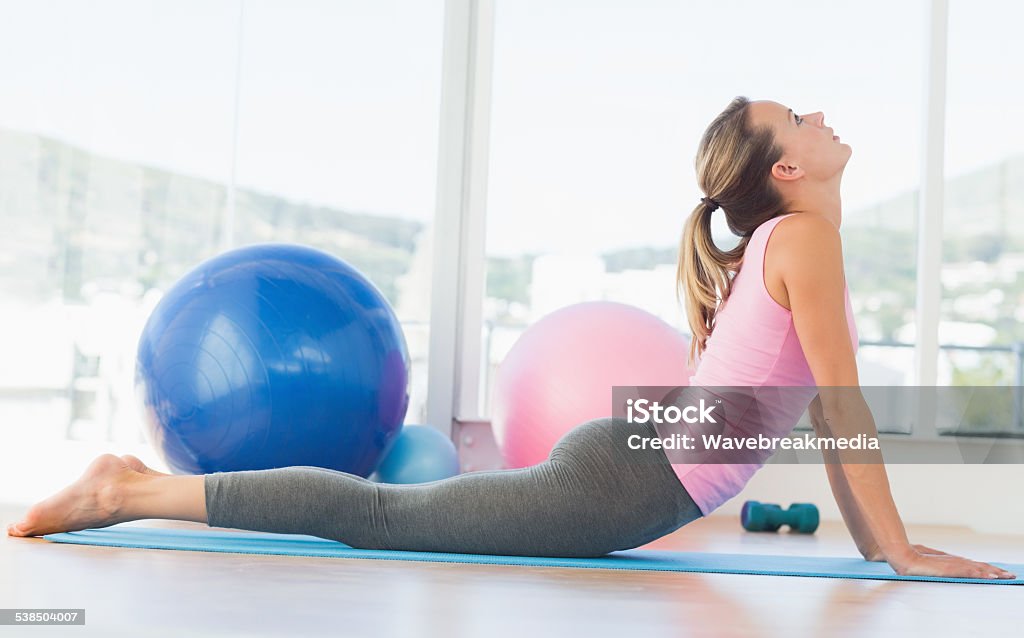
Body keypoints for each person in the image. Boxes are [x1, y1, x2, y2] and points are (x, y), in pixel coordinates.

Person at [7, 97, 1015, 580]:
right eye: (797, 116)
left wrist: (890, 547)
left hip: (634, 460)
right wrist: (895, 549)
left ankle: (130, 484)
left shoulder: (794, 239)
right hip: (621, 479)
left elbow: (832, 411)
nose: (819, 116)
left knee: (388, 513)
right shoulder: (798, 239)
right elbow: (842, 409)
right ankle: (126, 488)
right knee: (380, 519)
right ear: (785, 170)